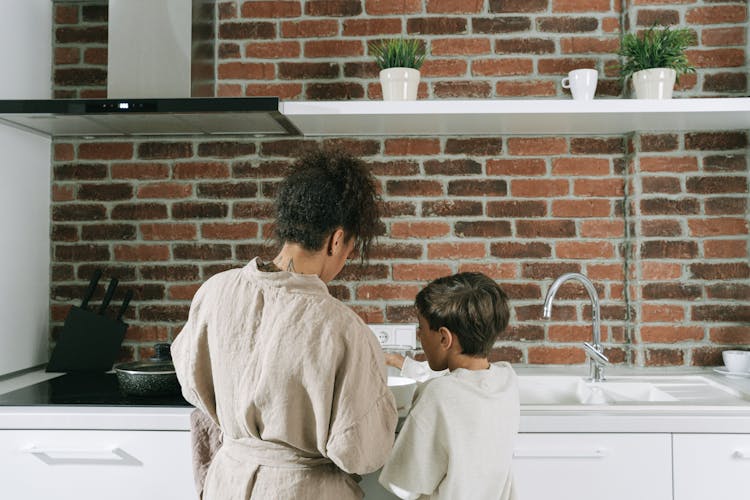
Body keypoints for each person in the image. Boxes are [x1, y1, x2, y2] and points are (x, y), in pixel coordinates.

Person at [171, 148, 398, 500]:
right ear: (337, 239)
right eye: (350, 248)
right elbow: (360, 450)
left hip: (228, 483)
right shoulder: (343, 328)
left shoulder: (214, 292)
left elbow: (191, 383)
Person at [379, 272, 520, 500]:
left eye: (421, 329)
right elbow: (461, 385)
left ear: (444, 338)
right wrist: (399, 361)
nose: (419, 336)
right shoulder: (506, 380)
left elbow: (404, 485)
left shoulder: (438, 395)